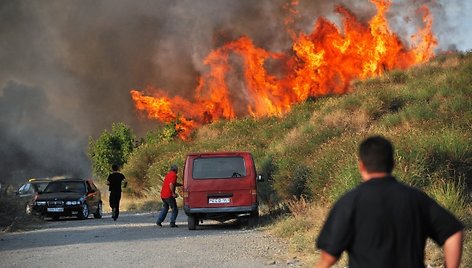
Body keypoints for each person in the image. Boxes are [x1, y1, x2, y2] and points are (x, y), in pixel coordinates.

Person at [315, 135, 464, 268]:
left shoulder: (349, 202)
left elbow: (329, 257)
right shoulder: (416, 198)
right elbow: (453, 232)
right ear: (393, 163)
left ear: (361, 165)